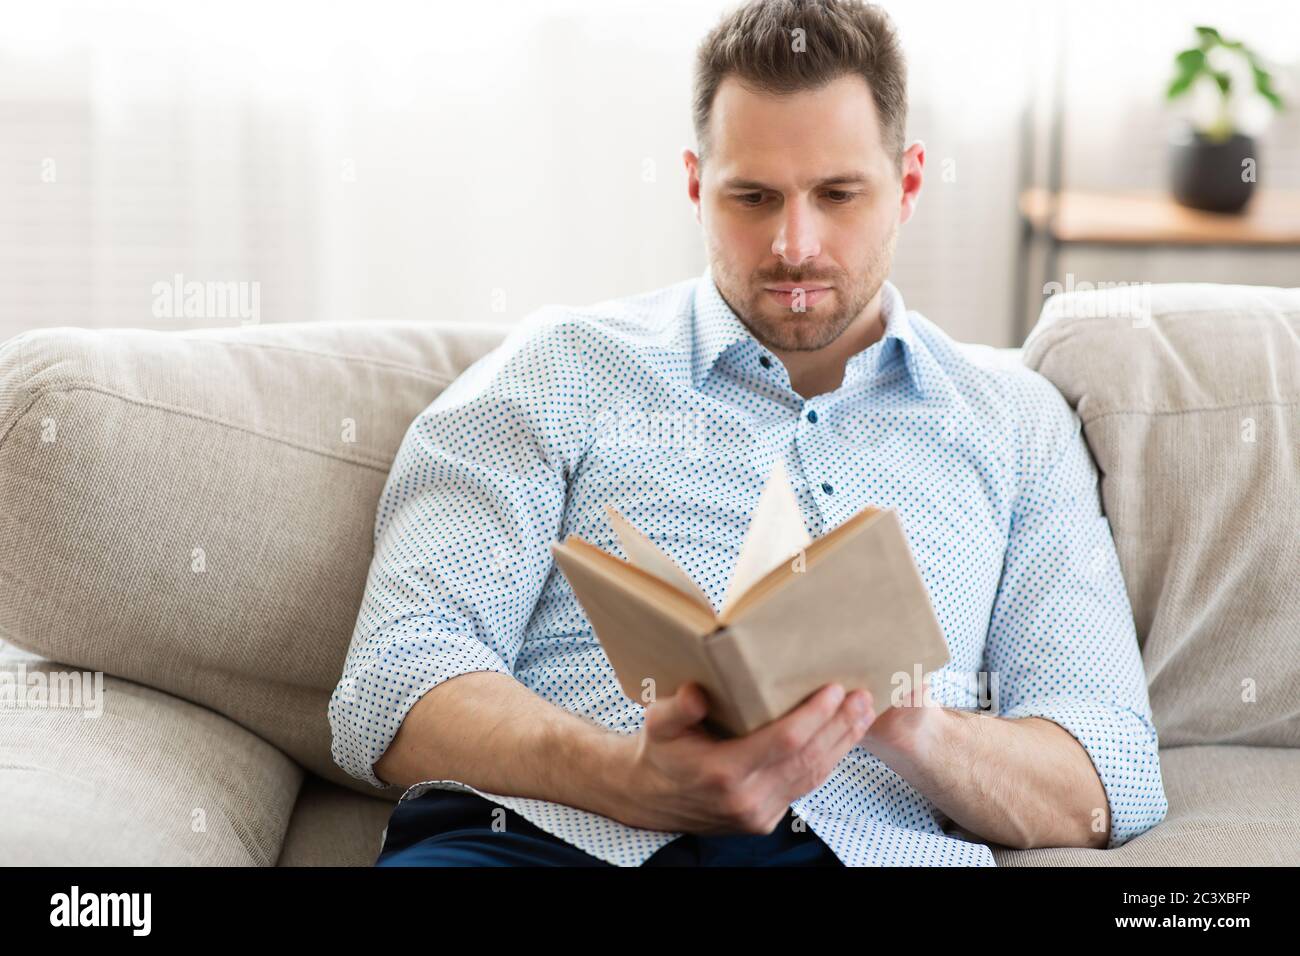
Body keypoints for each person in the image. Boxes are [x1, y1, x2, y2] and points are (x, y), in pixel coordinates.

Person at [329, 0, 1168, 867]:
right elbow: (391, 678)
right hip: (550, 839)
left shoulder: (1014, 423)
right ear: (696, 184)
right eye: (753, 197)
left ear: (909, 184)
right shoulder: (562, 366)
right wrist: (628, 775)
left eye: (838, 195)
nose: (794, 246)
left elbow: (1110, 775)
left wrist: (896, 716)